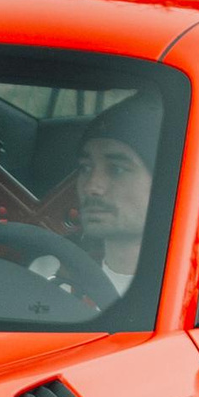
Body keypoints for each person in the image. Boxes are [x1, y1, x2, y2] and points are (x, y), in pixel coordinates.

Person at [55, 104, 158, 301]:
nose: (92, 186)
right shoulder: (51, 271)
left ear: (163, 182)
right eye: (85, 168)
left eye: (117, 169)